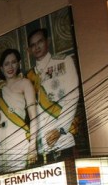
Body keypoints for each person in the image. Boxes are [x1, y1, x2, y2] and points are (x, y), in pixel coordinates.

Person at [26, 28, 80, 163]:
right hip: (39, 149)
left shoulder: (63, 61)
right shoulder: (28, 77)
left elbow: (73, 96)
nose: (37, 47)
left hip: (63, 140)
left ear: (48, 42)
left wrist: (60, 129)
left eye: (40, 42)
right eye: (33, 45)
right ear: (29, 50)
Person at [0, 48, 39, 174]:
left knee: (20, 176)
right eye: (6, 64)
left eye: (13, 62)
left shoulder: (25, 83)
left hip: (19, 138)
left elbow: (33, 116)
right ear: (1, 68)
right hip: (1, 140)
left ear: (19, 64)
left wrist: (32, 146)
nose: (10, 67)